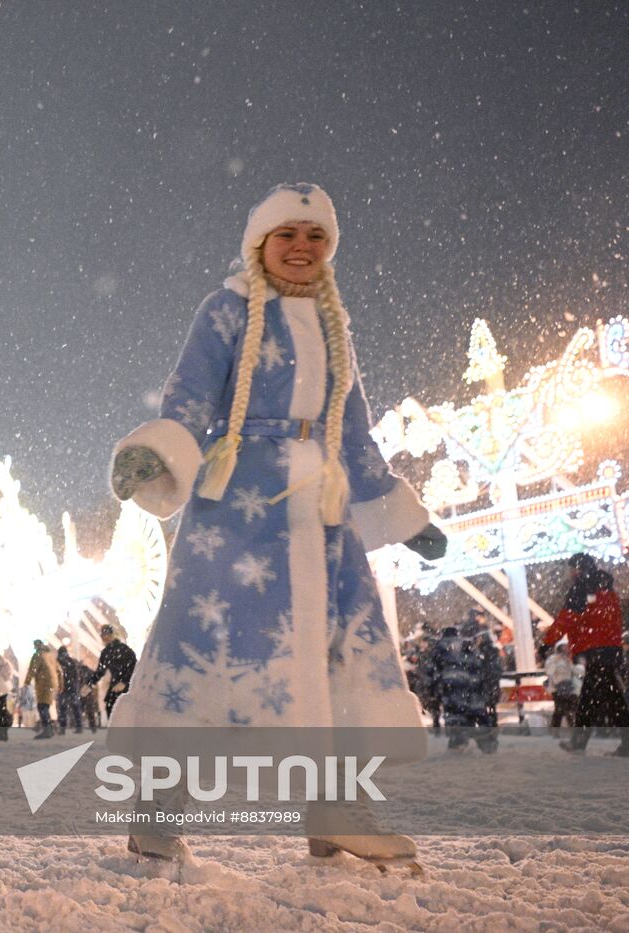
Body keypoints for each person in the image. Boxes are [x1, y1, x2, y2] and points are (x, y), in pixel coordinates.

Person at [108, 184, 444, 867]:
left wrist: (400, 512)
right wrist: (159, 450)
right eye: (287, 234)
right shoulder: (225, 311)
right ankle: (156, 810)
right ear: (260, 242)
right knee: (205, 654)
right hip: (237, 508)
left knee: (330, 655)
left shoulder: (333, 325)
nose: (302, 247)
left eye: (316, 236)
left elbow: (352, 429)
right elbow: (190, 397)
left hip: (322, 515)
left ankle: (333, 810)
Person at [540, 553, 629, 756]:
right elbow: (613, 621)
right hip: (610, 650)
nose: (570, 573)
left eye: (571, 568)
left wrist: (548, 642)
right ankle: (618, 742)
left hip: (595, 651)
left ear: (578, 569)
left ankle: (580, 741)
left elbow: (566, 619)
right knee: (611, 698)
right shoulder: (607, 589)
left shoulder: (580, 589)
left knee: (592, 697)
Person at [429, 612, 501, 753]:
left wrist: (433, 691)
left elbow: (432, 671)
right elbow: (478, 666)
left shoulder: (439, 649)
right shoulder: (468, 647)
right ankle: (487, 744)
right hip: (472, 687)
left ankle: (458, 743)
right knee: (478, 714)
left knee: (456, 716)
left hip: (451, 689)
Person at [87, 624, 137, 720]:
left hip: (127, 687)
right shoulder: (106, 652)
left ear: (112, 635)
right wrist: (89, 684)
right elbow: (100, 671)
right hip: (116, 686)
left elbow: (133, 667)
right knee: (111, 706)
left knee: (120, 712)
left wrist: (124, 682)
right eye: (102, 635)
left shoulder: (124, 650)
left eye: (106, 635)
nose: (104, 638)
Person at [24, 640, 59, 738]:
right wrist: (61, 684)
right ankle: (49, 729)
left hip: (44, 683)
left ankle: (48, 730)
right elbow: (59, 670)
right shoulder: (50, 656)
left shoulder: (37, 655)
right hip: (53, 683)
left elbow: (32, 669)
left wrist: (26, 682)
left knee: (42, 706)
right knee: (45, 706)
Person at [544, 642, 578, 734]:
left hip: (568, 686)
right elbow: (550, 672)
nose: (567, 649)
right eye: (565, 647)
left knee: (569, 708)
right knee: (560, 709)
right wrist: (554, 683)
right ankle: (556, 730)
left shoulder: (567, 659)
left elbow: (572, 671)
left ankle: (572, 730)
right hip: (557, 687)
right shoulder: (554, 659)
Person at [55, 645, 84, 734]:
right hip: (73, 688)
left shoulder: (58, 661)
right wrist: (77, 686)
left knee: (62, 709)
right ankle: (79, 727)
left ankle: (62, 728)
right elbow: (78, 675)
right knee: (76, 708)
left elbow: (56, 675)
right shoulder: (72, 661)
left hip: (63, 688)